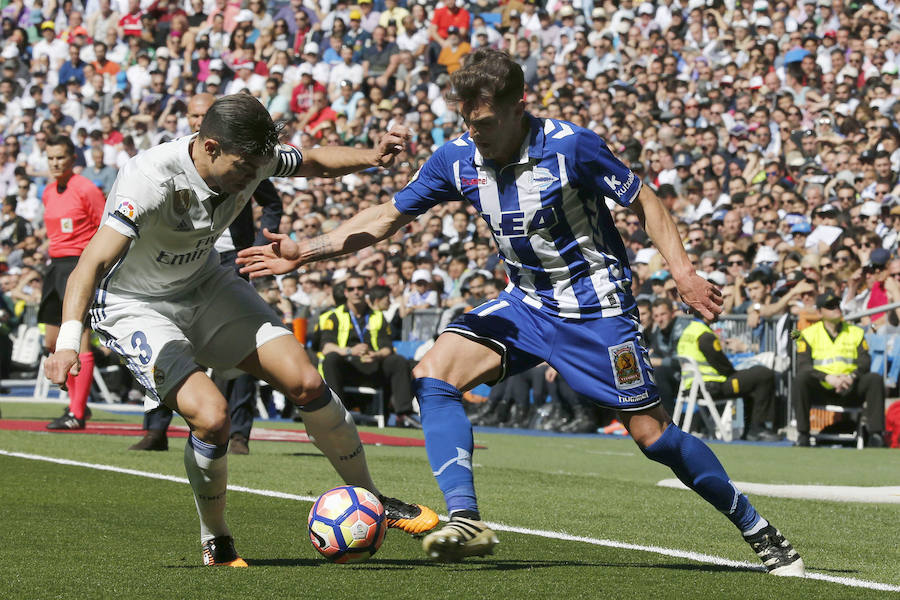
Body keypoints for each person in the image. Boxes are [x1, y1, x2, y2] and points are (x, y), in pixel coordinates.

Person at [237, 50, 804, 575]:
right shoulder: (458, 158)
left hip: (597, 314)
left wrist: (682, 272)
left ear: (518, 108)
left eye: (483, 121)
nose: (472, 132)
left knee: (652, 435)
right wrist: (304, 252)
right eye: (465, 120)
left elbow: (646, 200)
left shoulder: (571, 147)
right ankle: (465, 518)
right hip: (524, 304)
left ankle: (756, 528)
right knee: (434, 374)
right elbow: (387, 216)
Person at [43, 94, 438, 567]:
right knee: (211, 417)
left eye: (259, 166)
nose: (253, 176)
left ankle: (372, 499)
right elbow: (91, 261)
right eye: (244, 167)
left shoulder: (254, 155)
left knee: (308, 383)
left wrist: (369, 157)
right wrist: (69, 340)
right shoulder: (149, 177)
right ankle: (216, 538)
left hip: (207, 285)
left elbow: (311, 160)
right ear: (209, 147)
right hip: (136, 304)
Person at [129, 92, 284, 455]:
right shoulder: (169, 162)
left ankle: (241, 433)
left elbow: (271, 201)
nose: (199, 120)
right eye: (194, 114)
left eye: (204, 114)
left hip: (231, 260)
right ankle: (156, 429)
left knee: (247, 342)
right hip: (179, 264)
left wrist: (261, 241)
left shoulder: (238, 157)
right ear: (188, 118)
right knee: (168, 339)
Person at [40, 135, 106, 430]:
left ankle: (76, 412)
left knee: (79, 341)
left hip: (79, 266)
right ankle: (78, 403)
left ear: (72, 159)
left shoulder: (86, 188)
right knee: (52, 341)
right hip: (55, 266)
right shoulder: (47, 191)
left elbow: (106, 225)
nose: (55, 163)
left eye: (60, 158)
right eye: (51, 158)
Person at [318, 272, 420, 428]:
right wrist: (351, 351)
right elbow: (326, 347)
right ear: (346, 292)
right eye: (351, 289)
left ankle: (403, 414)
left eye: (360, 288)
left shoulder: (378, 316)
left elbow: (387, 347)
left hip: (373, 365)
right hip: (348, 366)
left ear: (366, 290)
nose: (356, 292)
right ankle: (337, 414)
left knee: (398, 361)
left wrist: (377, 354)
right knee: (331, 359)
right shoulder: (334, 316)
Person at [792, 291, 886, 448]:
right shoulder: (807, 335)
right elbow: (804, 365)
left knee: (874, 379)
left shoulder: (855, 332)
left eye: (837, 305)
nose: (836, 309)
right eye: (830, 306)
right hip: (822, 388)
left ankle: (876, 435)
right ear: (820, 312)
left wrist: (851, 376)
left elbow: (865, 360)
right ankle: (803, 434)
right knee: (801, 379)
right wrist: (827, 377)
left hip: (850, 386)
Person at [676, 315, 781, 442]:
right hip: (712, 387)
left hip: (693, 386)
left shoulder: (688, 331)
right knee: (763, 374)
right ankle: (758, 428)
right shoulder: (705, 335)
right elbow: (725, 368)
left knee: (750, 378)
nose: (718, 312)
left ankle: (751, 429)